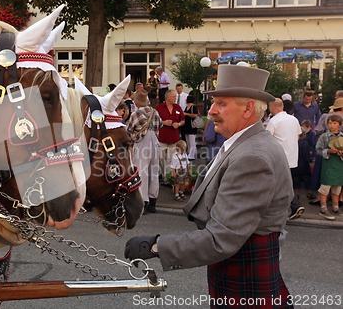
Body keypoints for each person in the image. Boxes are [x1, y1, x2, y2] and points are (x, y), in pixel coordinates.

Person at [125, 64, 293, 307]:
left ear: (248, 108)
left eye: (221, 104)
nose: (211, 111)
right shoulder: (244, 143)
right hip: (239, 271)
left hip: (246, 281)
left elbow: (222, 239)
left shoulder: (252, 156)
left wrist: (156, 246)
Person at [266, 98, 304, 220]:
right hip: (292, 157)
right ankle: (290, 206)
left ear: (272, 107)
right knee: (285, 183)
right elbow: (298, 136)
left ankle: (294, 205)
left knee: (279, 184)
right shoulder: (294, 119)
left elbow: (267, 139)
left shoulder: (274, 121)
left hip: (279, 158)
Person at [126, 89, 162, 214]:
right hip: (155, 141)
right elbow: (160, 125)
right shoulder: (155, 112)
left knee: (142, 171)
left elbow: (129, 129)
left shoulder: (136, 114)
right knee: (154, 170)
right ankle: (153, 201)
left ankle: (143, 201)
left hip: (142, 143)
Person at [315, 114, 343, 220]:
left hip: (339, 166)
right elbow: (318, 149)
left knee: (337, 187)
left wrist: (341, 153)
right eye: (330, 123)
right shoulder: (324, 136)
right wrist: (328, 151)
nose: (332, 125)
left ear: (339, 125)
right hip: (328, 164)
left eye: (334, 123)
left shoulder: (342, 137)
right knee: (325, 187)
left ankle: (335, 207)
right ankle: (323, 207)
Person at [155, 89, 185, 183]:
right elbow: (154, 122)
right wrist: (163, 122)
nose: (175, 98)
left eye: (176, 96)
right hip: (162, 138)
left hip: (174, 138)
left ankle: (167, 178)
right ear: (168, 97)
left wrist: (179, 124)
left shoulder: (178, 108)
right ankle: (163, 174)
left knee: (170, 159)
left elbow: (183, 120)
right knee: (160, 158)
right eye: (174, 96)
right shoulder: (159, 108)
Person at [180, 95, 199, 160]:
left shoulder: (193, 107)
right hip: (186, 126)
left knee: (192, 141)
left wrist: (186, 114)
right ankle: (189, 153)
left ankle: (192, 155)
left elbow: (195, 115)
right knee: (188, 141)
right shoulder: (186, 107)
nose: (185, 100)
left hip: (192, 126)